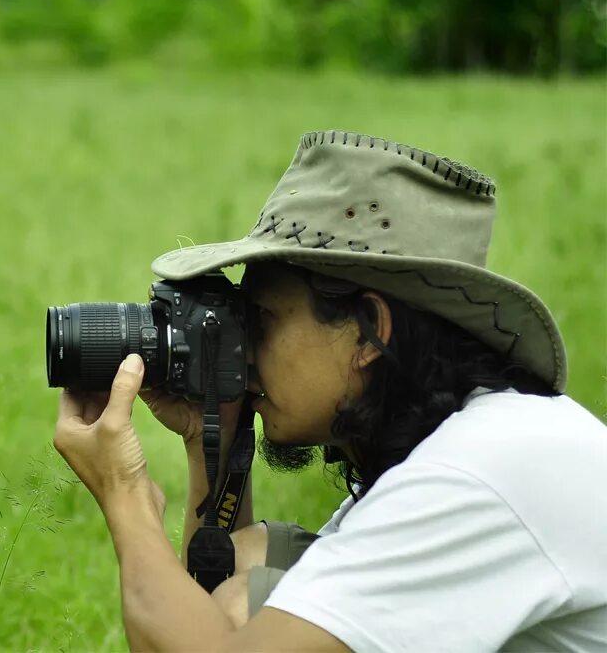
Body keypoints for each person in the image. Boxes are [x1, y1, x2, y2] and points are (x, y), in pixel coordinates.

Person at [52, 131, 606, 652]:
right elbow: (213, 598)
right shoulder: (466, 444)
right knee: (246, 568)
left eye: (261, 321)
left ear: (368, 330)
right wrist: (209, 434)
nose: (244, 351)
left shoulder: (471, 475)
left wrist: (126, 494)